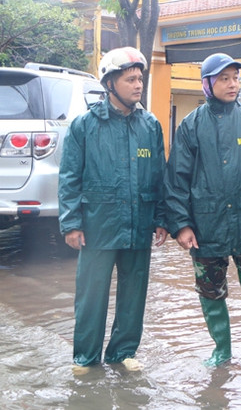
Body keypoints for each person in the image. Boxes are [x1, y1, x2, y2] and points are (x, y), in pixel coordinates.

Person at [164, 52, 241, 371]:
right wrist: (180, 225)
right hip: (207, 226)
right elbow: (176, 178)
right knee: (210, 289)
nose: (233, 84)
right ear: (207, 84)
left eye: (235, 78)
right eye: (224, 79)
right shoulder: (191, 125)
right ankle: (222, 349)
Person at [58, 46, 167, 375]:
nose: (138, 85)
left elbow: (160, 176)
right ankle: (86, 358)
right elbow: (69, 178)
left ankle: (122, 353)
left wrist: (162, 219)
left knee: (134, 293)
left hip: (139, 224)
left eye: (140, 79)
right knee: (91, 295)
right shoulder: (84, 126)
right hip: (98, 224)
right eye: (130, 79)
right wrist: (71, 224)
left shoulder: (151, 125)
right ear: (109, 84)